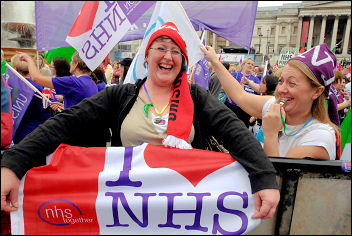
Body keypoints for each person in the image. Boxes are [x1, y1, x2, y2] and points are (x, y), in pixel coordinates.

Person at [1, 22, 279, 219]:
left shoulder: (196, 96)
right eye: (160, 48)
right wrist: (13, 165)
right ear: (147, 57)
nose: (167, 56)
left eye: (175, 51)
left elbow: (233, 130)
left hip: (183, 210)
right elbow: (66, 122)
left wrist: (264, 177)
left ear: (182, 61)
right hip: (128, 210)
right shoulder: (121, 95)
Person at [202, 43, 339, 160]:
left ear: (317, 92)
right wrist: (215, 61)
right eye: (281, 81)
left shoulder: (320, 137)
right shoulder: (275, 104)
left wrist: (271, 134)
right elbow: (240, 95)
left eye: (291, 83)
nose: (281, 90)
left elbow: (275, 180)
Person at [17, 51, 98, 109]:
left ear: (76, 64)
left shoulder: (73, 81)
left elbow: (36, 78)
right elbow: (80, 106)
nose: (70, 63)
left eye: (72, 61)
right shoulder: (92, 83)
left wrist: (29, 60)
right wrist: (65, 107)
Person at [10, 54, 52, 144]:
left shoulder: (14, 88)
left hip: (23, 134)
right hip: (40, 133)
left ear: (15, 69)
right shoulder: (39, 87)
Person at [225, 57, 260, 128]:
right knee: (229, 128)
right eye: (248, 63)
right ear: (243, 65)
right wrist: (239, 84)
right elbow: (225, 86)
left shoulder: (255, 79)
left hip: (246, 108)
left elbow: (259, 90)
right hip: (233, 106)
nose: (250, 65)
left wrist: (249, 82)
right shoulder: (235, 74)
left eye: (252, 64)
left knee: (243, 129)